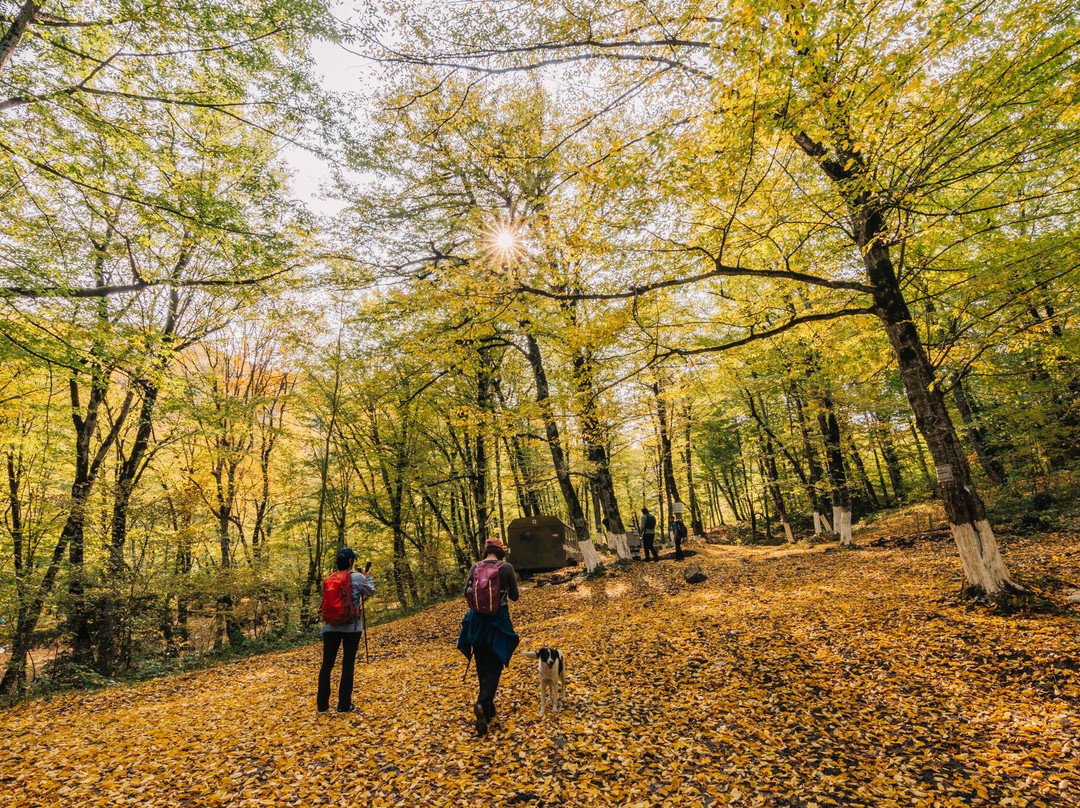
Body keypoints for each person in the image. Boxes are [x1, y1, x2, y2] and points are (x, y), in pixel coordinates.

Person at [457, 538, 520, 736]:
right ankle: (483, 704)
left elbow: (465, 592)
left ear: (485, 551)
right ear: (500, 551)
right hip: (497, 621)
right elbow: (515, 597)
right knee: (495, 665)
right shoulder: (506, 568)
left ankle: (489, 708)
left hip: (475, 621)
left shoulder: (475, 566)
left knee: (482, 664)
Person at [317, 548, 376, 714]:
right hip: (352, 627)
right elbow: (372, 592)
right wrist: (368, 576)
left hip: (330, 628)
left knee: (326, 665)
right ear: (351, 562)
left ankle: (322, 706)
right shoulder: (357, 577)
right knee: (347, 664)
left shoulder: (329, 579)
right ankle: (344, 705)